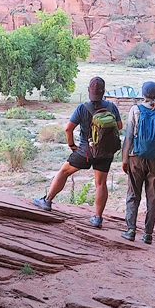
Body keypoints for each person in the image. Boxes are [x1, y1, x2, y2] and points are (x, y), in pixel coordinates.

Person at [33, 76, 123, 227]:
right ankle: (97, 218)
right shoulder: (112, 107)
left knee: (64, 172)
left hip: (85, 152)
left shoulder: (82, 108)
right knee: (101, 184)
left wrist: (71, 145)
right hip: (105, 153)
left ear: (89, 91)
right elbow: (119, 126)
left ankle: (47, 201)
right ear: (103, 92)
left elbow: (68, 128)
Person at [120, 80, 155, 244]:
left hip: (136, 158)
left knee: (133, 194)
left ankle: (131, 230)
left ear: (143, 95)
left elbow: (129, 137)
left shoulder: (135, 110)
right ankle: (148, 234)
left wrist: (125, 160)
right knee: (152, 196)